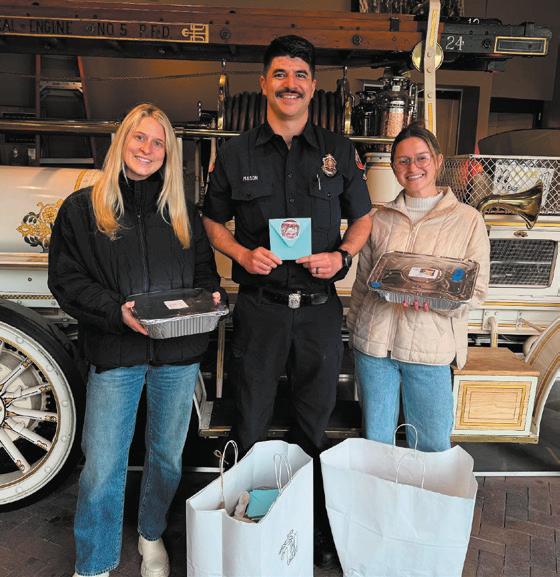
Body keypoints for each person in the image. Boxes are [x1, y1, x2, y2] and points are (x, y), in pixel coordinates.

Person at [202, 35, 372, 566]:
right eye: (280, 74)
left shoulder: (339, 150)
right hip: (261, 308)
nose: (290, 84)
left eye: (300, 75)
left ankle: (306, 525)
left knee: (312, 425)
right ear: (264, 83)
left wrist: (342, 255)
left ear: (313, 86)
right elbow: (211, 220)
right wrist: (241, 253)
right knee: (250, 421)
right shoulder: (236, 153)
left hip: (319, 310)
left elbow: (363, 217)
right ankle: (247, 528)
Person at [48, 103, 223, 577]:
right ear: (121, 141)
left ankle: (150, 533)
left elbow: (204, 272)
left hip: (177, 354)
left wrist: (210, 296)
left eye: (158, 142)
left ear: (169, 153)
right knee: (103, 465)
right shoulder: (82, 209)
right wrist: (115, 311)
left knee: (166, 458)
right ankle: (94, 562)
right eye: (139, 137)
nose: (147, 149)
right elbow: (66, 280)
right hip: (115, 352)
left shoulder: (180, 211)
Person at [347, 122, 490, 452]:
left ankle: (425, 489)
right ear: (394, 167)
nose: (413, 167)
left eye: (421, 158)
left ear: (438, 161)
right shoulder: (379, 218)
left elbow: (476, 288)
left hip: (430, 350)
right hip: (374, 348)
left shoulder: (468, 220)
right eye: (403, 160)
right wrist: (355, 334)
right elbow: (363, 283)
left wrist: (439, 301)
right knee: (376, 445)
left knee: (432, 446)